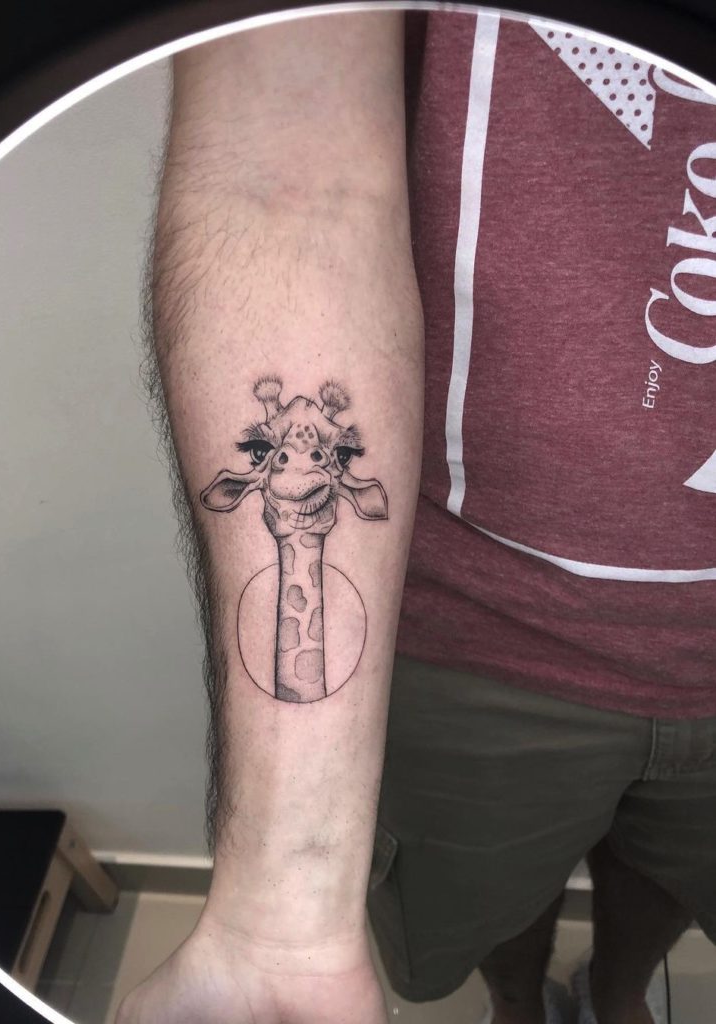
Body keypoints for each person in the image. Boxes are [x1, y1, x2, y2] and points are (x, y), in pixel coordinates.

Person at [117, 9, 716, 1024]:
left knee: (670, 870)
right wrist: (284, 912)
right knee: (486, 903)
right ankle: (520, 1008)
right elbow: (289, 182)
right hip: (473, 633)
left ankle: (616, 994)